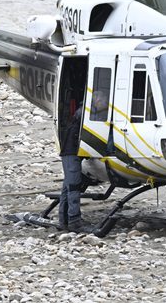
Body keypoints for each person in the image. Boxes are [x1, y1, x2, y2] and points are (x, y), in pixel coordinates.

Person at [58, 99, 93, 233]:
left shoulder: (78, 114)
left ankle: (64, 220)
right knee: (73, 186)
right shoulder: (83, 115)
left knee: (67, 186)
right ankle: (74, 221)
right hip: (71, 152)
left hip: (70, 151)